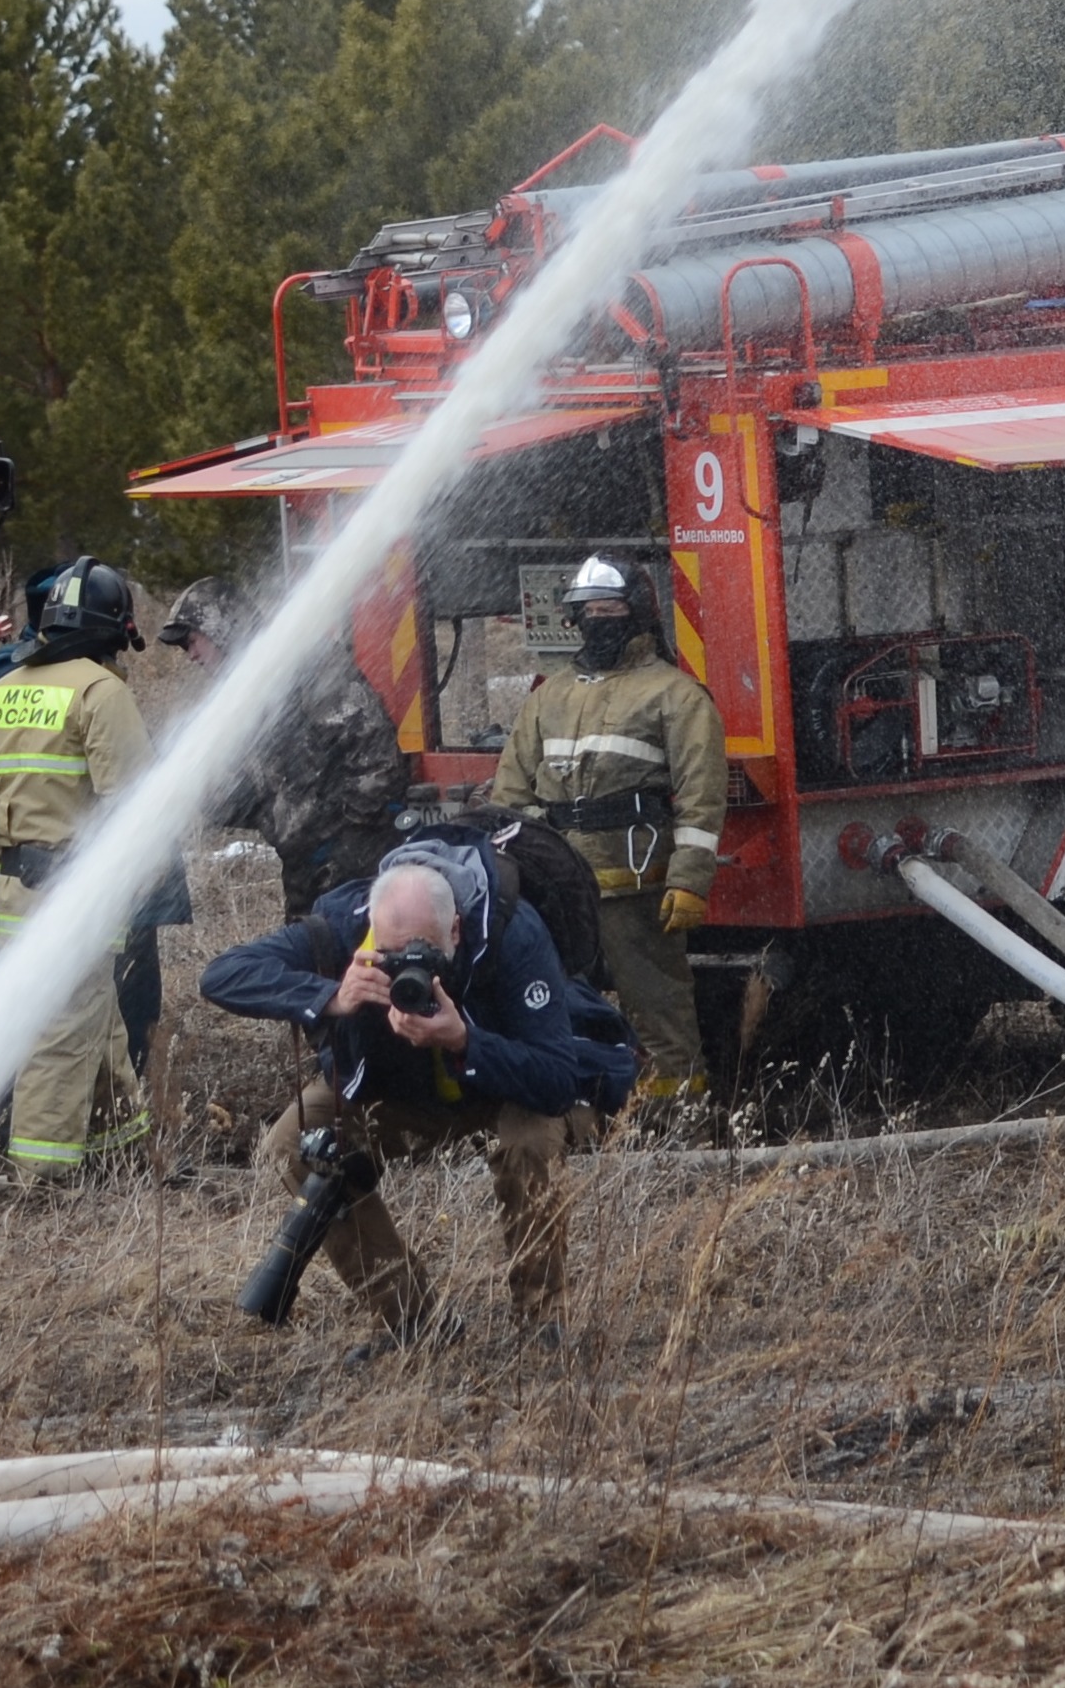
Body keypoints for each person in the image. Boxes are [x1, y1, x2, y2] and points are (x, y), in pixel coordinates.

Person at [200, 842, 629, 1350]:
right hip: (399, 1089)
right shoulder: (341, 923)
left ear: (456, 930)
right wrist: (330, 996)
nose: (407, 968)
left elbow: (557, 1079)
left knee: (530, 1143)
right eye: (391, 952)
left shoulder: (511, 931)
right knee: (292, 1142)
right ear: (371, 927)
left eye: (423, 953)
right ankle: (411, 1317)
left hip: (506, 1082)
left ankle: (542, 1320)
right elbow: (222, 974)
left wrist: (465, 1040)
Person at [487, 555, 727, 1102]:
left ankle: (678, 1120)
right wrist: (516, 872)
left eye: (609, 609)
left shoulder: (676, 696)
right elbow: (511, 793)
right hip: (557, 889)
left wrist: (690, 880)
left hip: (636, 887)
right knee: (555, 1006)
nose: (597, 620)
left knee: (658, 1008)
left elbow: (701, 797)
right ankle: (581, 1113)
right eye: (587, 611)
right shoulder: (548, 696)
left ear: (637, 612)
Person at [0, 557, 155, 1176]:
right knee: (60, 1034)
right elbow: (134, 807)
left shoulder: (0, 692)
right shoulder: (100, 692)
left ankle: (120, 1152)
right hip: (75, 896)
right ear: (113, 630)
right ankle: (40, 1179)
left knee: (92, 1017)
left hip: (15, 892)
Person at [162, 574, 412, 924]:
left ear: (222, 627)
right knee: (312, 956)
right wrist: (199, 792)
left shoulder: (304, 663)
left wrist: (349, 838)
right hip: (304, 867)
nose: (190, 655)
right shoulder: (240, 697)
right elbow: (248, 796)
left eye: (192, 641)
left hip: (352, 863)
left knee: (361, 953)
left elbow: (376, 751)